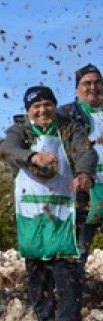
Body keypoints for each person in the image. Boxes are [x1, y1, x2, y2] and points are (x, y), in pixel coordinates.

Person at [4, 86, 96, 321]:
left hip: (66, 207)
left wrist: (85, 173)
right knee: (36, 264)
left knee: (67, 262)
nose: (42, 110)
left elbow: (86, 151)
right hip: (32, 211)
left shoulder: (70, 128)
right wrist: (33, 156)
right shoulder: (19, 131)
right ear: (29, 111)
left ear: (54, 106)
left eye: (47, 104)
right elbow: (8, 150)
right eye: (36, 106)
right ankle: (43, 319)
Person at [58, 64, 103, 279]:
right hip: (83, 186)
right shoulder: (66, 115)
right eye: (87, 83)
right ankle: (73, 292)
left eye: (97, 82)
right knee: (79, 243)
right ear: (77, 88)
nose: (93, 87)